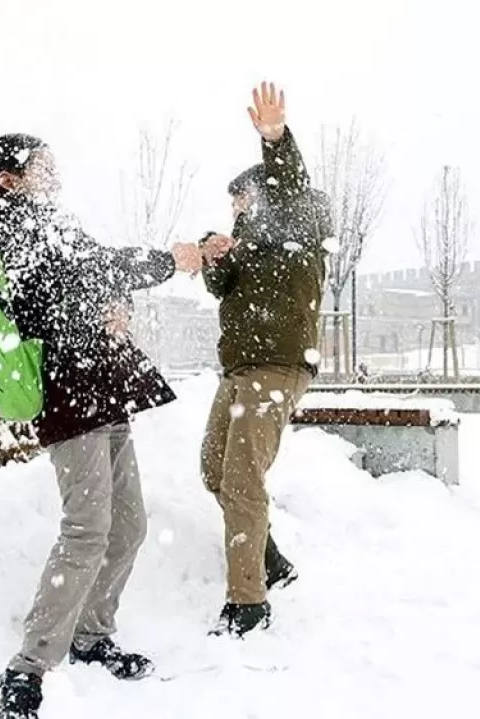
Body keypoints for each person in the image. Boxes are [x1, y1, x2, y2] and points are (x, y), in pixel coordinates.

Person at [0, 134, 205, 719]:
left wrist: (121, 309)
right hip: (69, 392)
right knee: (87, 528)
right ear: (11, 178)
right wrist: (169, 261)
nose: (55, 174)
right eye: (43, 167)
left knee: (129, 524)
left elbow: (93, 279)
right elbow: (91, 269)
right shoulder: (10, 220)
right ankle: (25, 669)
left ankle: (90, 636)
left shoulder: (49, 221)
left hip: (103, 389)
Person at [197, 82, 331, 637]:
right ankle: (270, 558)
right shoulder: (247, 245)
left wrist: (274, 138)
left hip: (277, 367)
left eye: (243, 200)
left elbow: (292, 186)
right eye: (233, 205)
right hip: (241, 370)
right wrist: (212, 254)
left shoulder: (300, 222)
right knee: (214, 469)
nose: (237, 210)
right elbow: (220, 287)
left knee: (242, 478)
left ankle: (248, 603)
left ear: (265, 194)